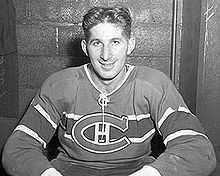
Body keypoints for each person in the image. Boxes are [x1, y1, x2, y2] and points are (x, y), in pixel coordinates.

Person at [2, 6, 217, 176]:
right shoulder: (60, 85)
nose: (106, 55)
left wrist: (151, 173)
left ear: (130, 44)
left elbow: (199, 150)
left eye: (115, 42)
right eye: (97, 43)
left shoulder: (154, 84)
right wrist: (49, 174)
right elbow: (18, 148)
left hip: (137, 170)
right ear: (85, 47)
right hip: (70, 170)